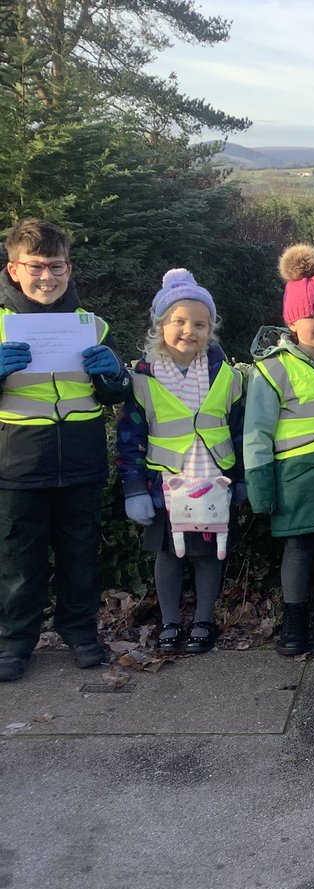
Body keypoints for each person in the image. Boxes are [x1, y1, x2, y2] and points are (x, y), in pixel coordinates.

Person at [0, 218, 132, 681]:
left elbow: (114, 394)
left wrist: (113, 377)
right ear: (13, 269)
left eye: (55, 267)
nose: (47, 277)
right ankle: (14, 642)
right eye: (35, 267)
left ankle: (80, 634)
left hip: (81, 457)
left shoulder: (92, 325)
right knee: (18, 561)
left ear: (69, 268)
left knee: (80, 555)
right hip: (17, 460)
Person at [117, 269, 244, 654]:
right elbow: (129, 439)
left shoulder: (228, 376)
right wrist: (134, 489)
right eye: (179, 321)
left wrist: (241, 480)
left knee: (208, 556)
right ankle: (171, 621)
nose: (189, 330)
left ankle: (204, 621)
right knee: (168, 556)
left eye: (200, 324)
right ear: (160, 325)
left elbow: (238, 432)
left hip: (213, 484)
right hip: (163, 487)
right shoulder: (142, 379)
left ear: (211, 330)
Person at [245, 244, 314, 658]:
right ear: (292, 321)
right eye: (312, 315)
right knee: (297, 550)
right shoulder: (272, 369)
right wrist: (260, 489)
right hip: (295, 481)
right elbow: (256, 433)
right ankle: (293, 624)